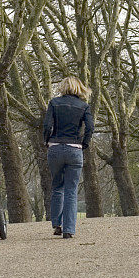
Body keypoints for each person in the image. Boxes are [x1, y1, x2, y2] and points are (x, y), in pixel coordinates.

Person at [43, 75, 94, 239]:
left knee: (57, 186)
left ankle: (57, 224)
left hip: (56, 148)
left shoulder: (54, 103)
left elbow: (47, 125)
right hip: (74, 149)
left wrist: (47, 140)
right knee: (71, 190)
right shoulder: (84, 106)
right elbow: (90, 128)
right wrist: (84, 143)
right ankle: (69, 229)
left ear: (63, 87)